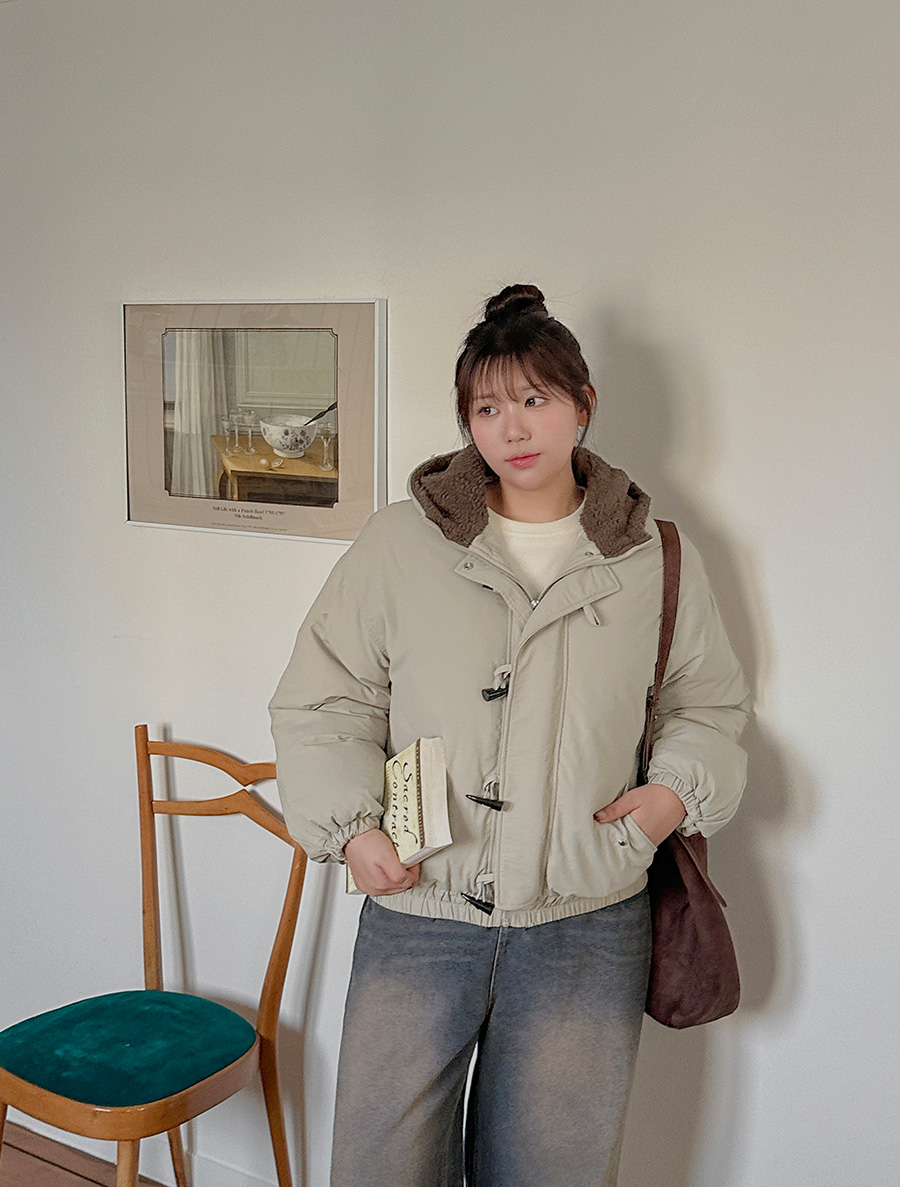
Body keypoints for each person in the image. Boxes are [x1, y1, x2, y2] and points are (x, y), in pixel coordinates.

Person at [269, 284, 750, 1187]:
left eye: (535, 399)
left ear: (582, 404)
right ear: (467, 422)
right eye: (487, 408)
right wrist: (354, 829)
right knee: (379, 1167)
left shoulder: (652, 555)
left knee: (553, 1171)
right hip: (420, 910)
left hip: (586, 922)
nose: (513, 427)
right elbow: (324, 699)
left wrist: (671, 796)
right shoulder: (400, 543)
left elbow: (708, 704)